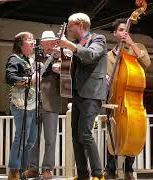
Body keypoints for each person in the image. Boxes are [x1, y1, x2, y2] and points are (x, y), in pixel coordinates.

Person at [57, 12, 108, 180]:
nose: (69, 29)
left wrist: (70, 47)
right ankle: (83, 175)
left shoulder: (98, 39)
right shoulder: (75, 43)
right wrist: (61, 66)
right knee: (75, 136)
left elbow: (90, 55)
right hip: (77, 93)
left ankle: (98, 174)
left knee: (85, 134)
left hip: (92, 93)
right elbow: (74, 62)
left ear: (80, 25)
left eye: (71, 25)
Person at [104, 18, 151, 180]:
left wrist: (132, 44)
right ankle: (110, 169)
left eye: (127, 30)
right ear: (115, 33)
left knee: (131, 131)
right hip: (113, 99)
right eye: (121, 30)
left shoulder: (137, 48)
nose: (125, 32)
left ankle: (128, 168)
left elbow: (146, 63)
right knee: (112, 134)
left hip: (130, 100)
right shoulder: (108, 56)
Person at [25, 31, 62, 179]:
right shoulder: (33, 59)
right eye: (46, 43)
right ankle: (32, 168)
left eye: (51, 43)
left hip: (51, 102)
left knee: (50, 139)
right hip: (34, 102)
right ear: (41, 45)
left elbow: (68, 79)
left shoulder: (61, 58)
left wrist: (60, 71)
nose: (48, 46)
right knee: (32, 138)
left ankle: (47, 168)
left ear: (55, 43)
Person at [5, 32, 39, 180]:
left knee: (30, 140)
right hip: (20, 104)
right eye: (29, 40)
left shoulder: (29, 60)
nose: (32, 42)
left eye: (33, 39)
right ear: (20, 44)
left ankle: (22, 170)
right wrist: (29, 80)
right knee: (21, 137)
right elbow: (10, 77)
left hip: (32, 104)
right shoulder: (14, 58)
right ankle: (14, 170)